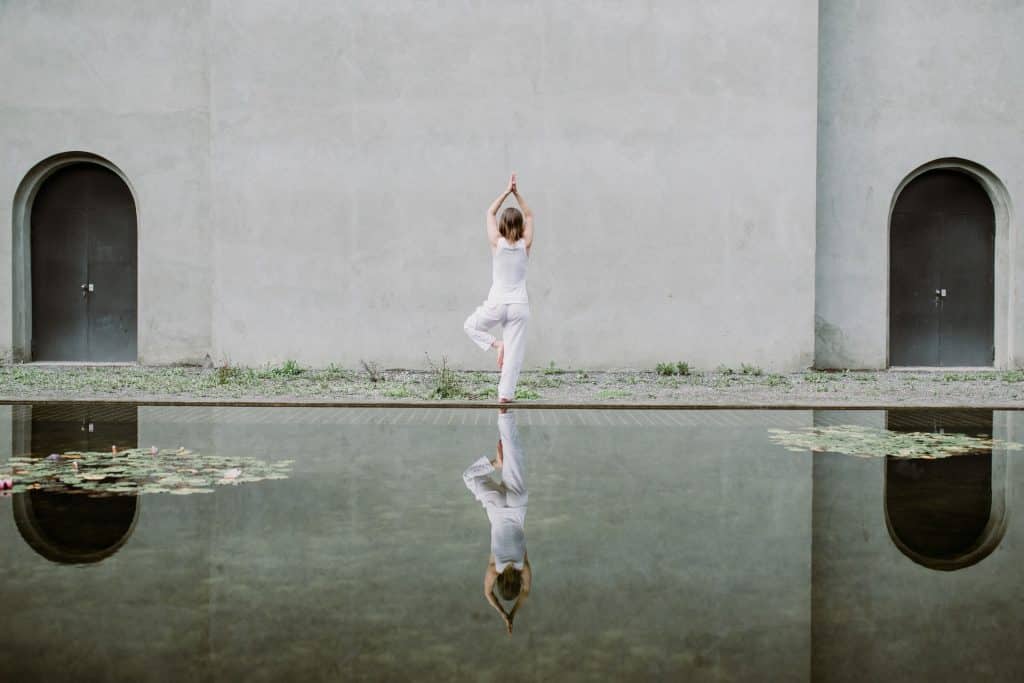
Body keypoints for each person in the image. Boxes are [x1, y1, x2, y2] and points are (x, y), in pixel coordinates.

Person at [463, 172, 534, 403]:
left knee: (470, 326)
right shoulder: (525, 245)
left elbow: (489, 212)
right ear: (520, 226)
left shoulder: (497, 242)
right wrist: (518, 193)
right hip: (519, 306)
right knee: (513, 355)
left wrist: (506, 192)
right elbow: (530, 214)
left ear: (503, 225)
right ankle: (505, 396)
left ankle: (496, 344)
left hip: (497, 303)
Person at [462, 409, 532, 634]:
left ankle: (506, 414)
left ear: (518, 582)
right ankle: (495, 463)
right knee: (469, 477)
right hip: (497, 508)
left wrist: (513, 613)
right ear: (500, 582)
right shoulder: (495, 567)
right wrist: (503, 613)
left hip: (517, 504)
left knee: (514, 453)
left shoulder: (523, 566)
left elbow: (526, 593)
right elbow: (487, 594)